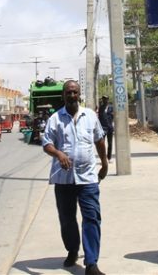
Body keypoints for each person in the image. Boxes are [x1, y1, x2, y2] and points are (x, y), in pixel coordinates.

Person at [42, 80, 108, 275]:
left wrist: (104, 163)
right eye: (68, 93)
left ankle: (91, 263)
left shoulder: (90, 116)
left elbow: (99, 140)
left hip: (87, 177)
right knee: (67, 219)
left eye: (75, 92)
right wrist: (59, 154)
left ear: (79, 95)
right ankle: (72, 250)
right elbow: (47, 144)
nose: (72, 96)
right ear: (63, 95)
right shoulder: (55, 119)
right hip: (64, 180)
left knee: (92, 218)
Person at [97, 96, 115, 161]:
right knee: (102, 144)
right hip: (103, 128)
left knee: (110, 144)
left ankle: (109, 158)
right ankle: (103, 158)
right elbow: (99, 118)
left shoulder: (111, 108)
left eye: (106, 99)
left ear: (108, 100)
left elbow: (113, 116)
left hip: (110, 128)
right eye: (104, 99)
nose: (105, 101)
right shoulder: (101, 108)